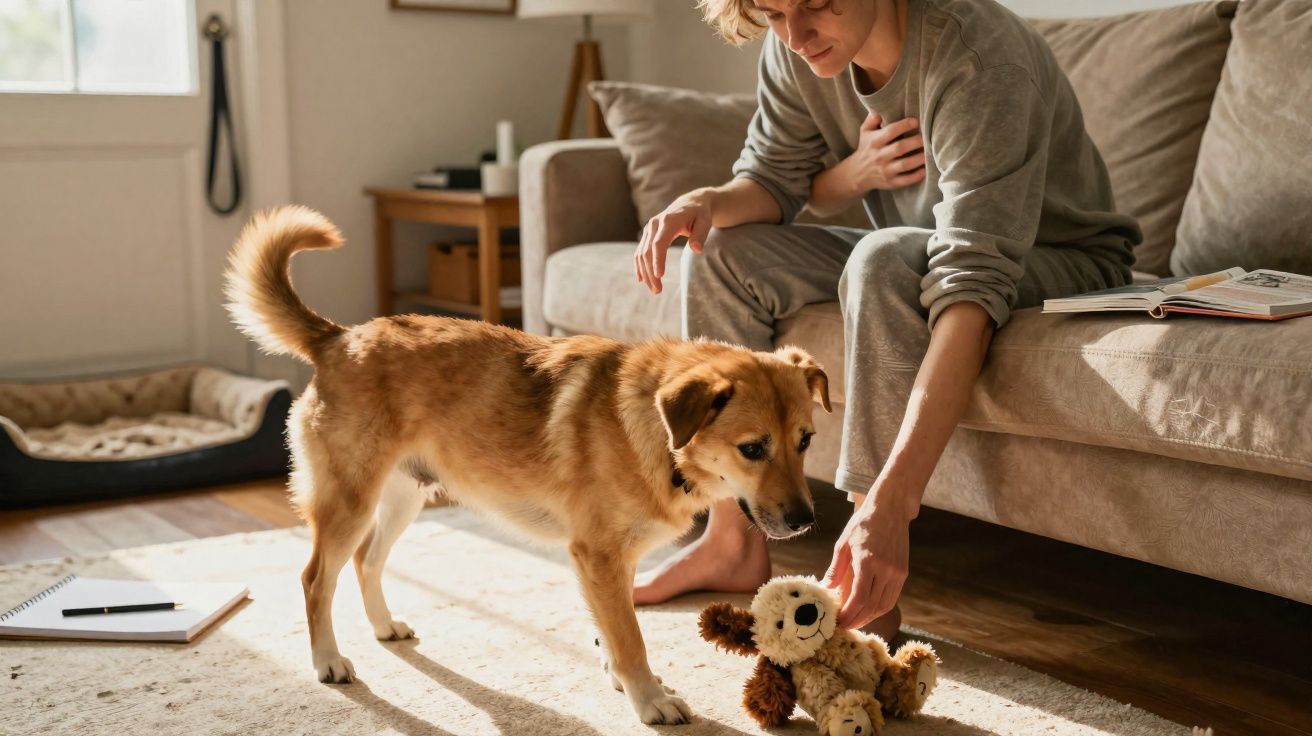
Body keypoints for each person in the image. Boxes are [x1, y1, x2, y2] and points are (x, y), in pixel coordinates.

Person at [630, 0, 1141, 641]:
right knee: (724, 248)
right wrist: (705, 202)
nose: (795, 35)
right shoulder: (796, 47)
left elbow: (971, 283)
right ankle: (730, 542)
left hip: (1060, 256)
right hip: (921, 247)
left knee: (879, 260)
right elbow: (772, 181)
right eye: (774, 13)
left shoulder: (978, 56)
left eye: (815, 5)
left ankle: (866, 564)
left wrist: (889, 505)